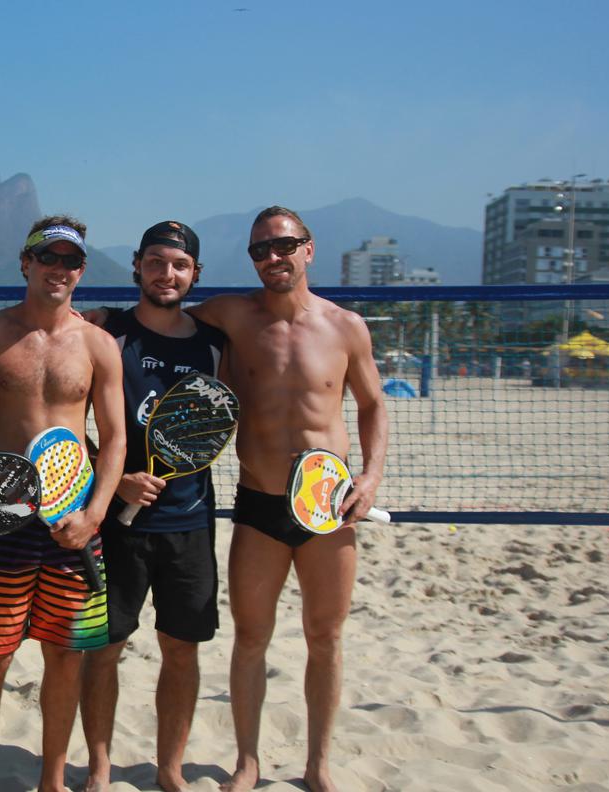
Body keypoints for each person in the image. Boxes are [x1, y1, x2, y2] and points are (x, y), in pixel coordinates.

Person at [186, 206, 388, 792]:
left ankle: (318, 765)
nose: (272, 258)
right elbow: (153, 318)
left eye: (283, 246)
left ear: (308, 248)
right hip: (259, 504)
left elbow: (373, 406)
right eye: (259, 251)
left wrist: (371, 479)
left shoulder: (346, 326)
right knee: (250, 638)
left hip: (329, 505)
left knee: (325, 637)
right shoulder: (230, 315)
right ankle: (247, 762)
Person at [0, 216, 126, 792]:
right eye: (47, 257)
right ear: (25, 263)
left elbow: (115, 438)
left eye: (70, 261)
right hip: (1, 517)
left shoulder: (99, 345)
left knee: (65, 655)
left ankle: (52, 780)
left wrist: (95, 514)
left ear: (81, 269)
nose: (59, 269)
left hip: (74, 520)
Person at [78, 221, 227, 792]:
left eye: (180, 265)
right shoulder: (105, 330)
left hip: (190, 524)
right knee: (105, 649)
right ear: (137, 265)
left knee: (181, 649)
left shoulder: (213, 344)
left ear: (196, 274)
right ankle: (98, 767)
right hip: (117, 524)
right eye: (158, 263)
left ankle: (169, 770)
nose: (168, 274)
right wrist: (112, 480)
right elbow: (66, 420)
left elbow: (229, 417)